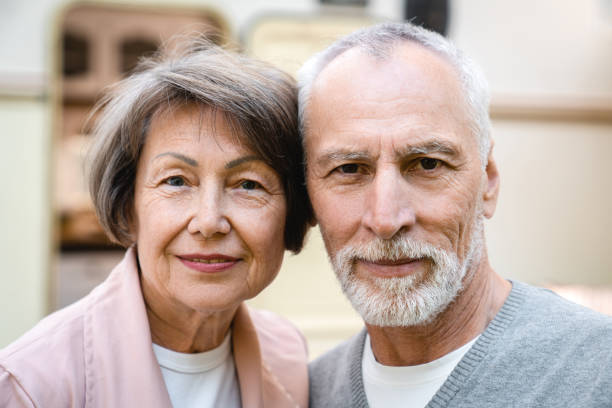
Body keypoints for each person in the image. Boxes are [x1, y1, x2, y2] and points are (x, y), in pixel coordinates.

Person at [298, 22, 612, 407]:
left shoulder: (599, 369)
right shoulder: (305, 392)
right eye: (348, 169)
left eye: (427, 163)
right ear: (309, 199)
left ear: (488, 183)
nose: (386, 218)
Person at [0, 41, 312, 408]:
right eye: (176, 181)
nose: (209, 222)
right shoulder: (30, 385)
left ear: (291, 215)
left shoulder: (288, 354)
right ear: (128, 204)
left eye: (248, 185)